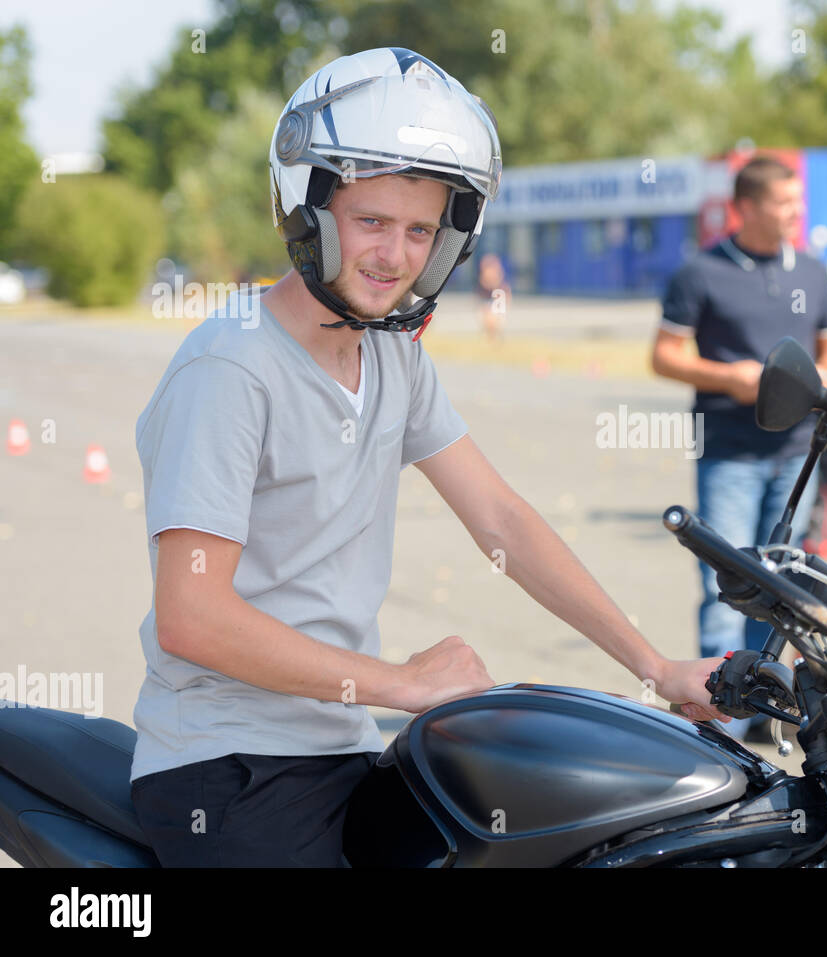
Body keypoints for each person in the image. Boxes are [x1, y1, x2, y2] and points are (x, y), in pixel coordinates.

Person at [128, 48, 727, 867]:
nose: (396, 255)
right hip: (225, 764)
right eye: (372, 221)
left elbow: (503, 520)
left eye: (419, 230)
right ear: (306, 211)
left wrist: (655, 666)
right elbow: (191, 616)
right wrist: (400, 684)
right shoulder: (231, 365)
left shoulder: (394, 358)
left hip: (337, 745)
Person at [651, 156, 827, 741]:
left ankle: (767, 712)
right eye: (783, 203)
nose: (795, 213)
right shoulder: (701, 272)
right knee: (725, 593)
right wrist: (729, 377)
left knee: (782, 591)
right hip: (729, 454)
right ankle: (720, 724)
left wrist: (826, 380)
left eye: (797, 201)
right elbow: (665, 356)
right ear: (746, 207)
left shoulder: (813, 272)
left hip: (797, 457)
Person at [476, 253, 511, 341]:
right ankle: (491, 336)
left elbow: (505, 292)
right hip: (488, 300)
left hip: (496, 300)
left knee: (494, 319)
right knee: (488, 318)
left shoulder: (500, 283)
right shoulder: (484, 280)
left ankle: (495, 336)